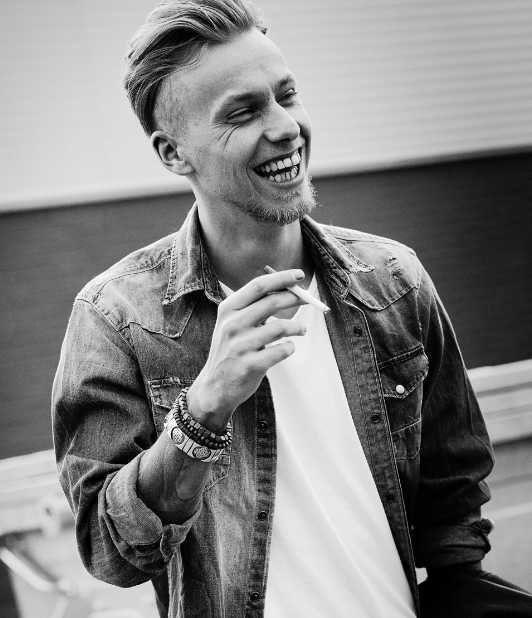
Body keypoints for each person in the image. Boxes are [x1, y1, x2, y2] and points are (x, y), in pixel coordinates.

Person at [52, 1, 505, 616]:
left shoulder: (394, 281)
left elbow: (454, 496)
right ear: (172, 153)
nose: (286, 126)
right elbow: (108, 552)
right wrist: (203, 410)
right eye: (242, 112)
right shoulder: (116, 319)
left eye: (286, 95)